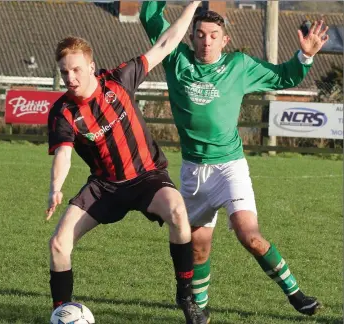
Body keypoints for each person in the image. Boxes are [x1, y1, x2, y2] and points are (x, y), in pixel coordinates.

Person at [140, 2, 329, 321]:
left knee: (249, 235)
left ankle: (295, 293)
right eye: (199, 34)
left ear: (225, 40)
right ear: (191, 37)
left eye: (214, 35)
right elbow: (149, 16)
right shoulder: (175, 58)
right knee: (198, 248)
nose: (206, 41)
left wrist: (305, 56)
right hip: (193, 171)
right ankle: (199, 311)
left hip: (230, 168)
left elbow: (284, 77)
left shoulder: (239, 65)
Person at [45, 2, 210, 323]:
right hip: (105, 186)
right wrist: (55, 188)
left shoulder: (119, 80)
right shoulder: (63, 112)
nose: (70, 77)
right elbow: (63, 153)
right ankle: (61, 312)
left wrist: (192, 6)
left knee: (178, 211)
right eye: (64, 71)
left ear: (91, 66)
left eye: (76, 69)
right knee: (59, 244)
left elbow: (165, 44)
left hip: (147, 178)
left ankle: (186, 297)